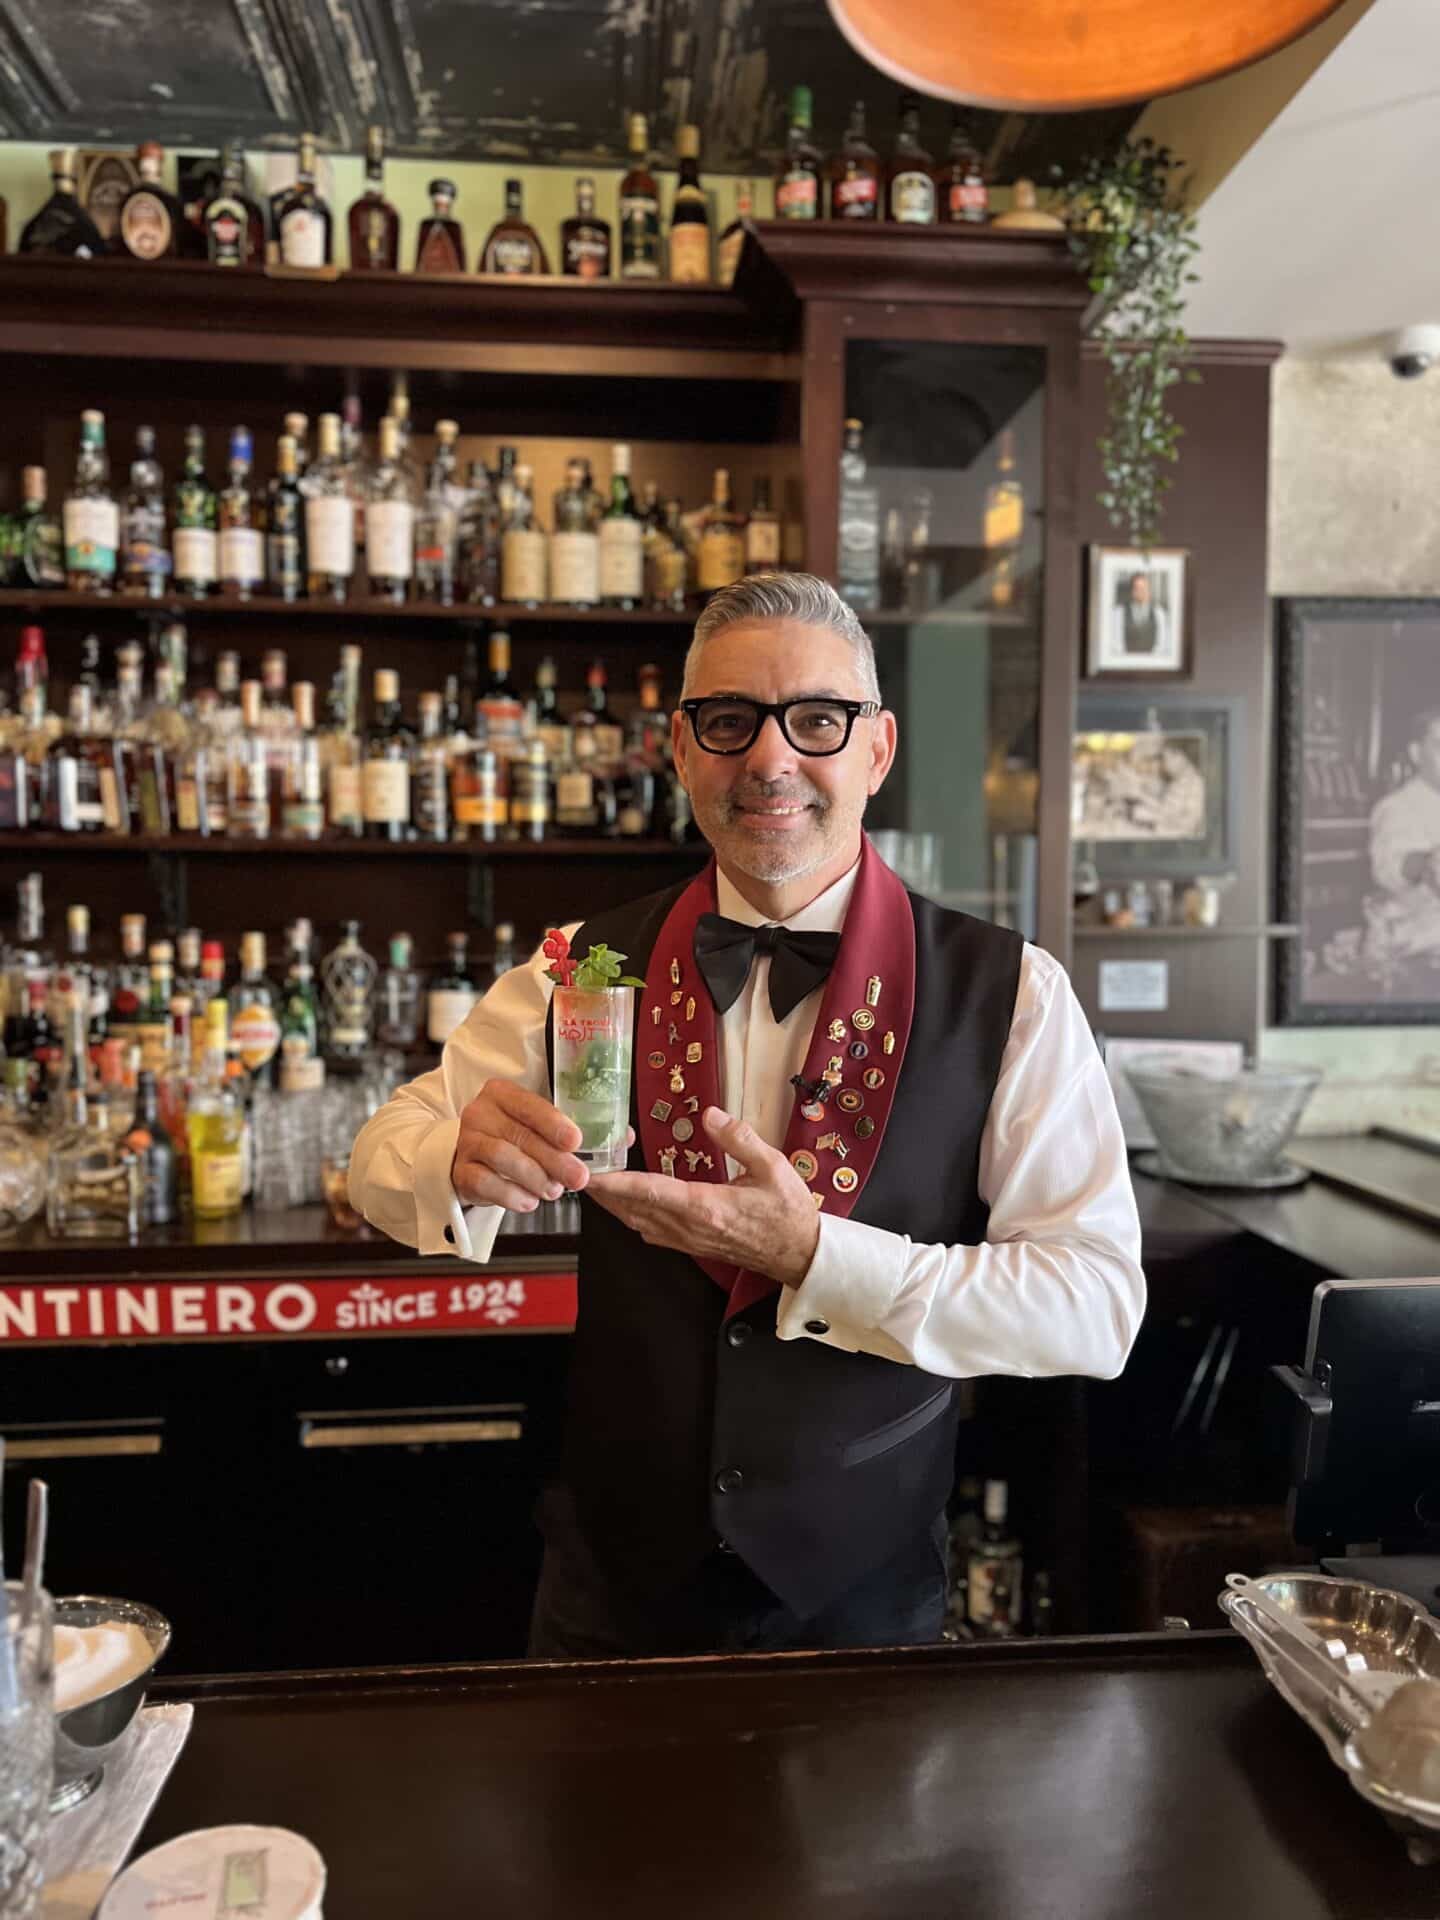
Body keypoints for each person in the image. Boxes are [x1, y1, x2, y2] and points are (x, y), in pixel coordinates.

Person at [350, 572, 1145, 1659]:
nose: (772, 759)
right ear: (682, 752)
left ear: (878, 749)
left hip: (861, 1602)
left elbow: (1093, 1306)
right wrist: (453, 1158)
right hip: (609, 1592)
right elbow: (379, 1159)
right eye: (729, 721)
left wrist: (821, 1255)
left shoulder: (1012, 993)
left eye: (818, 720)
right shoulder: (575, 968)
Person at [1113, 570, 1169, 658]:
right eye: (1137, 588)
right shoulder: (1119, 612)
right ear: (1132, 591)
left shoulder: (1159, 612)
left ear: (1149, 590)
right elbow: (1117, 643)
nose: (1142, 592)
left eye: (1144, 588)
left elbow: (1162, 643)